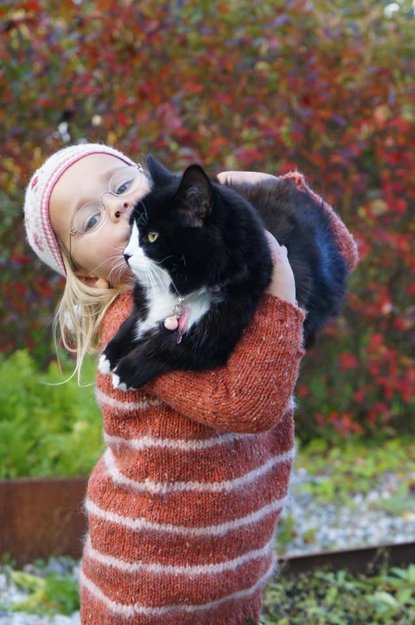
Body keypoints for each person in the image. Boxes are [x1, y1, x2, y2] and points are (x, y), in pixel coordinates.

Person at [23, 143, 358, 625]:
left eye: (121, 185)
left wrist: (276, 191)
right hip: (146, 579)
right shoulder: (138, 322)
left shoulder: (223, 277)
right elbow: (246, 405)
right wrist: (281, 292)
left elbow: (340, 254)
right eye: (91, 220)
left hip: (235, 564)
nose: (116, 205)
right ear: (91, 277)